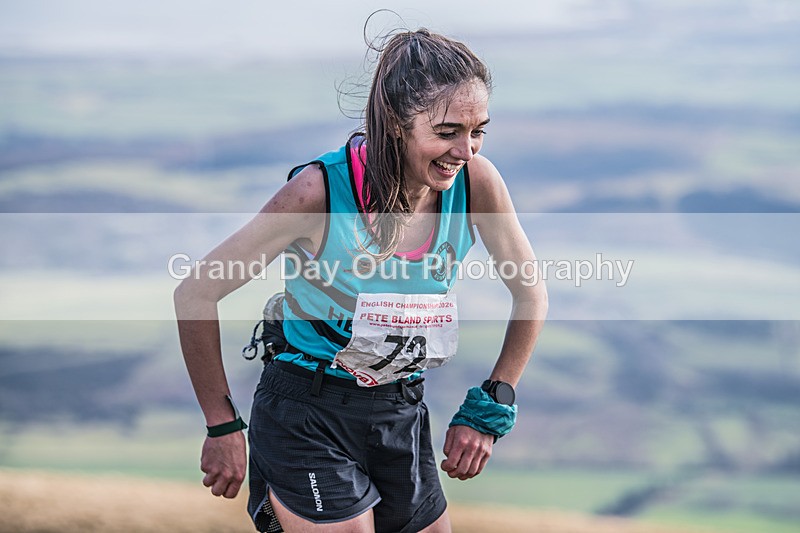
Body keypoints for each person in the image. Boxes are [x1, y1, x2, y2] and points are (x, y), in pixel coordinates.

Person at [174, 26, 548, 533]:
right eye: (447, 132)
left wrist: (491, 406)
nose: (466, 151)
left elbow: (530, 292)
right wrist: (222, 426)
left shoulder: (477, 183)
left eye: (478, 130)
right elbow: (196, 292)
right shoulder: (317, 193)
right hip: (306, 413)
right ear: (395, 122)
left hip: (399, 410)